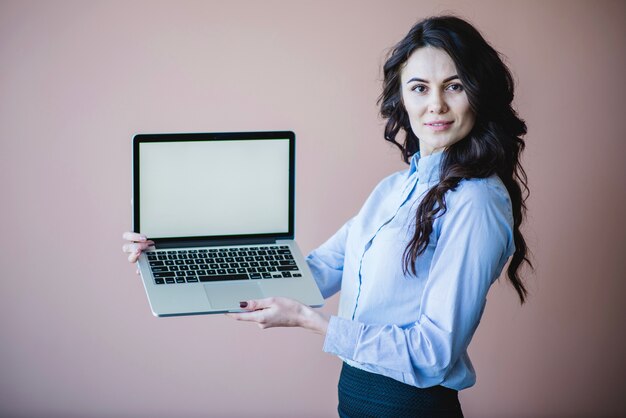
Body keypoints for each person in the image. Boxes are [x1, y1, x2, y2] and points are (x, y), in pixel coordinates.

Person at [123, 15, 531, 417]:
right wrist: (175, 250)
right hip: (355, 398)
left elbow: (434, 353)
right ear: (402, 99)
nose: (436, 104)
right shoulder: (390, 191)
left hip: (410, 408)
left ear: (478, 93)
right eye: (419, 88)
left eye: (454, 86)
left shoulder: (477, 202)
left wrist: (311, 322)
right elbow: (313, 272)